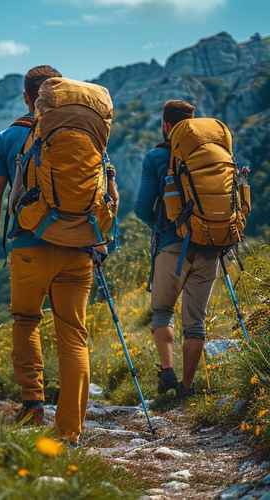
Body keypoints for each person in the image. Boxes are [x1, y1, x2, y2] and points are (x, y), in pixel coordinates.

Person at [0, 66, 119, 444]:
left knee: (25, 321)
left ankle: (33, 404)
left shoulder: (9, 138)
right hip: (79, 246)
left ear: (28, 97)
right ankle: (70, 431)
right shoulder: (83, 132)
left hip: (29, 246)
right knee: (73, 335)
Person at [135, 100, 219, 398]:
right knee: (195, 323)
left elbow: (142, 208)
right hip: (210, 247)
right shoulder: (211, 154)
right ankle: (187, 387)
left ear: (166, 125)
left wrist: (161, 224)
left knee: (162, 312)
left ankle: (167, 373)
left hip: (172, 247)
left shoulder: (156, 157)